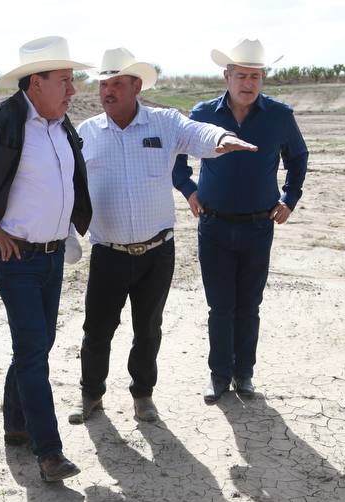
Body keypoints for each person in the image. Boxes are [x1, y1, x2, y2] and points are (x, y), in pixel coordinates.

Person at [71, 48, 256, 425]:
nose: (107, 91)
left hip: (157, 252)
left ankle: (143, 397)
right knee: (97, 330)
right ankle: (91, 394)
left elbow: (198, 132)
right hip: (108, 252)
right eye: (104, 84)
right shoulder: (86, 134)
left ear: (136, 86)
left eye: (117, 84)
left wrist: (221, 137)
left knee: (148, 329)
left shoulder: (165, 122)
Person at [0, 36, 92, 482]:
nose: (72, 90)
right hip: (15, 258)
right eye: (64, 81)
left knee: (34, 346)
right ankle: (49, 453)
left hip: (50, 258)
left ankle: (16, 424)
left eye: (72, 81)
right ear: (36, 82)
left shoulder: (61, 125)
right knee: (33, 352)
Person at [172, 39, 308, 401]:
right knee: (220, 307)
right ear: (227, 76)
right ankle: (218, 376)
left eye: (256, 76)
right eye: (242, 75)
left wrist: (290, 198)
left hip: (258, 226)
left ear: (262, 78)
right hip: (213, 226)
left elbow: (298, 158)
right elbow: (177, 157)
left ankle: (244, 374)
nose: (249, 83)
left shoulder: (280, 116)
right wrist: (188, 189)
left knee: (249, 306)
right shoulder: (202, 113)